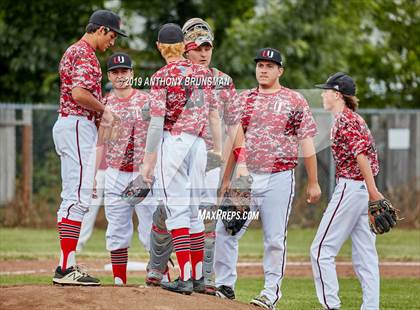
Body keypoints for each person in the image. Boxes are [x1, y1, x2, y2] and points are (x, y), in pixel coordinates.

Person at [213, 48, 322, 309]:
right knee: (225, 229)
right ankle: (224, 286)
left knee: (274, 238)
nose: (263, 69)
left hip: (279, 177)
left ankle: (270, 292)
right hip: (246, 176)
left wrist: (314, 180)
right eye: (260, 65)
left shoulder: (294, 101)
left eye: (270, 66)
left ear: (280, 71)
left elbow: (307, 142)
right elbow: (234, 141)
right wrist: (225, 180)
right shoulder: (244, 99)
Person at [145, 17, 237, 295]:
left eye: (207, 47)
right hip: (200, 146)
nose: (203, 52)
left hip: (177, 144)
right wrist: (217, 151)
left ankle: (188, 278)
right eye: (197, 47)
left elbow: (156, 122)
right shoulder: (206, 78)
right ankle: (191, 276)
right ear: (184, 46)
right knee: (190, 213)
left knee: (179, 211)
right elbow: (212, 116)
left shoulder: (162, 76)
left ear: (161, 46)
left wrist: (148, 160)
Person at [52, 9, 126, 286]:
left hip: (71, 125)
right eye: (113, 35)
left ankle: (65, 264)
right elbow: (79, 94)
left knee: (73, 195)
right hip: (75, 124)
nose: (113, 42)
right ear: (102, 30)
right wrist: (105, 111)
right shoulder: (85, 54)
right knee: (77, 198)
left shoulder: (73, 50)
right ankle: (65, 268)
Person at [311, 72, 381, 310]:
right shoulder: (355, 118)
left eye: (327, 91)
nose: (323, 94)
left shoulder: (345, 120)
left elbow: (360, 156)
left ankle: (331, 306)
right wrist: (370, 191)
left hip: (352, 188)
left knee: (320, 251)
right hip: (361, 191)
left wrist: (373, 192)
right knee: (365, 256)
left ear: (338, 95)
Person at [96, 52, 159, 285]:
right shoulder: (104, 103)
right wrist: (94, 176)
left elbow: (157, 137)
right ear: (110, 75)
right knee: (117, 228)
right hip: (114, 172)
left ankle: (160, 276)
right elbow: (100, 142)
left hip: (142, 172)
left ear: (132, 73)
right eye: (115, 71)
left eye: (125, 71)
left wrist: (151, 168)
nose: (120, 75)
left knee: (150, 228)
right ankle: (119, 282)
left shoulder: (146, 101)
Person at [76, 82, 112, 253]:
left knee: (120, 210)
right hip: (99, 168)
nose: (111, 95)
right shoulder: (100, 110)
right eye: (109, 91)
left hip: (118, 169)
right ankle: (77, 245)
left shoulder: (127, 108)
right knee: (89, 208)